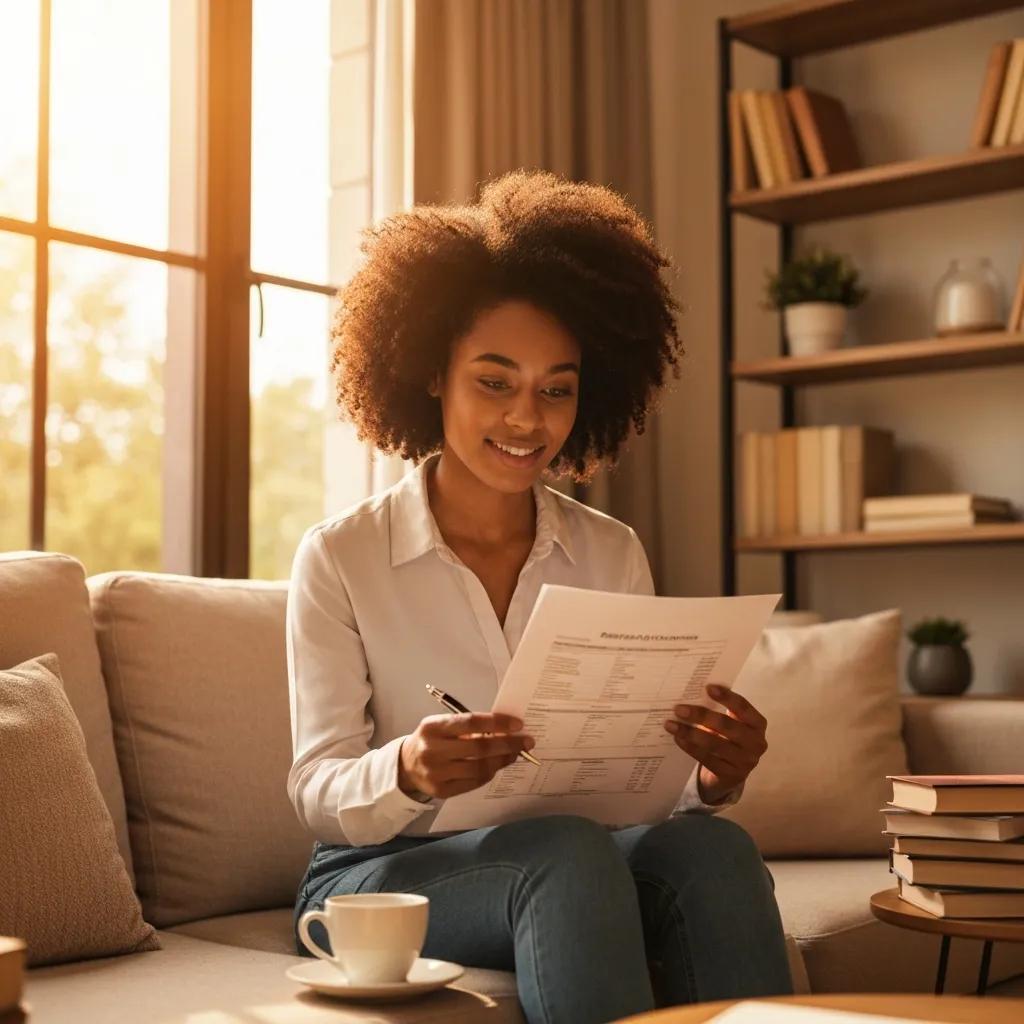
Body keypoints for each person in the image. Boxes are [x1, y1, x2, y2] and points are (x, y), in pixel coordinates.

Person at [286, 169, 792, 1024]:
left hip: (574, 856)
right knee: (565, 852)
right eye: (495, 381)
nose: (528, 419)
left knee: (713, 848)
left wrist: (708, 776)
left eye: (556, 389)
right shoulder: (342, 556)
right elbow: (316, 788)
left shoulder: (610, 551)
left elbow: (640, 790)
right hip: (377, 879)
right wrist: (408, 770)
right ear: (433, 373)